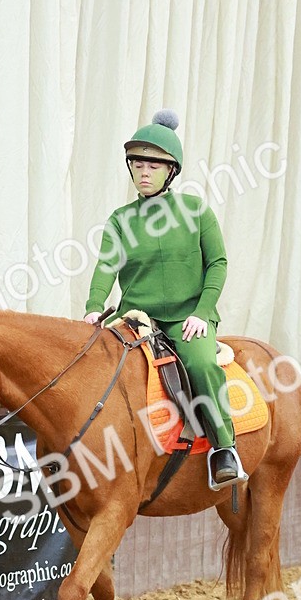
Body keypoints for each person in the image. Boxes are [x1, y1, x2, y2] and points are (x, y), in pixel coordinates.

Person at [84, 109, 248, 485]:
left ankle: (225, 449)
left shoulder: (196, 211)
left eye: (154, 166)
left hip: (187, 318)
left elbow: (218, 263)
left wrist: (203, 313)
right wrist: (94, 308)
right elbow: (105, 267)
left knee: (203, 365)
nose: (144, 172)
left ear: (171, 171)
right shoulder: (119, 220)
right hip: (136, 319)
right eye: (138, 164)